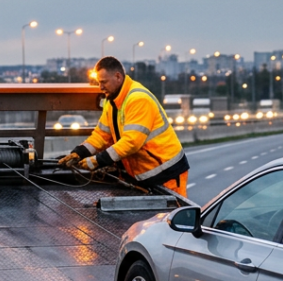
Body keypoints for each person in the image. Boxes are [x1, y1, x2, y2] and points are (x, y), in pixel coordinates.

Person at [57, 56, 189, 197]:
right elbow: (101, 135)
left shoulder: (138, 99)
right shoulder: (112, 101)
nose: (100, 87)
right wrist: (79, 153)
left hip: (167, 173)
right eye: (99, 82)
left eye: (104, 82)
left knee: (174, 211)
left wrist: (97, 161)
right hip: (144, 176)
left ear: (118, 77)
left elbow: (131, 142)